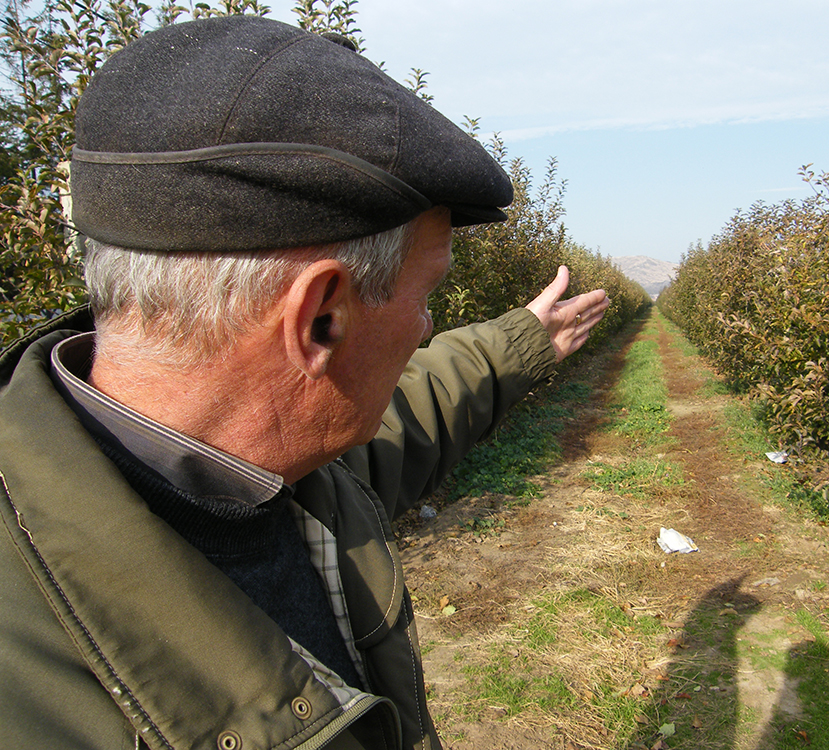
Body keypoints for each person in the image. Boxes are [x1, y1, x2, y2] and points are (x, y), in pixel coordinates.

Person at [0, 15, 609, 750]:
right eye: (426, 295)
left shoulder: (291, 472)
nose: (424, 329)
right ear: (321, 320)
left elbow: (417, 410)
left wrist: (521, 340)